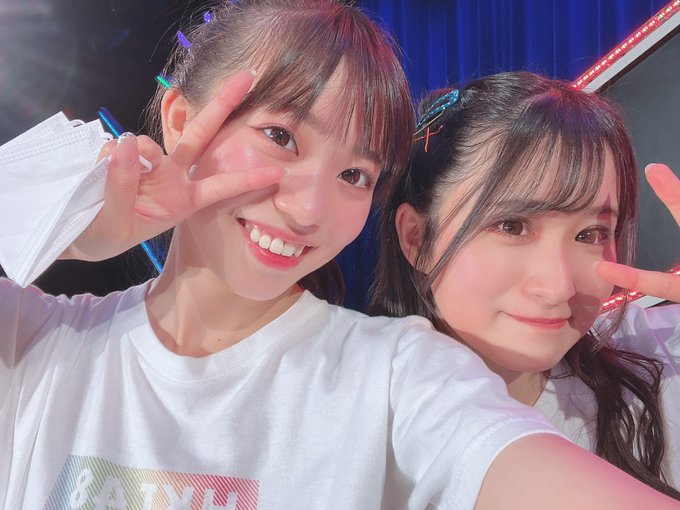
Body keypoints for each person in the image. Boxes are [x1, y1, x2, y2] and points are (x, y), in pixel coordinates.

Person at [2, 2, 680, 508]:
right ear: (181, 119)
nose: (308, 210)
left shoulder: (397, 373)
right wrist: (61, 213)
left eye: (355, 174)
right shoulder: (36, 346)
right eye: (281, 136)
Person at [370, 70, 680, 500]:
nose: (559, 288)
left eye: (590, 234)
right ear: (416, 238)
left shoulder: (656, 364)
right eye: (512, 226)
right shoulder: (348, 426)